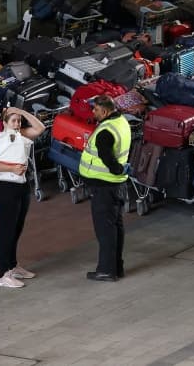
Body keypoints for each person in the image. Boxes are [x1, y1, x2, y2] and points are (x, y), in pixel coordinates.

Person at [0, 107, 46, 288]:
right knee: (5, 230)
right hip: (2, 189)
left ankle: (12, 265)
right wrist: (11, 169)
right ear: (5, 123)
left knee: (17, 228)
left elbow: (40, 128)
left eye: (19, 121)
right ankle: (2, 274)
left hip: (21, 186)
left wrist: (20, 111)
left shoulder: (23, 135)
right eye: (13, 121)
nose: (17, 124)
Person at [79, 95, 131, 282]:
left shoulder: (105, 131)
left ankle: (107, 270)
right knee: (116, 226)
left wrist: (117, 169)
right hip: (117, 185)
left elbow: (107, 158)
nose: (93, 112)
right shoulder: (121, 122)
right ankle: (117, 267)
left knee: (105, 231)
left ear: (105, 111)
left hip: (104, 186)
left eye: (96, 109)